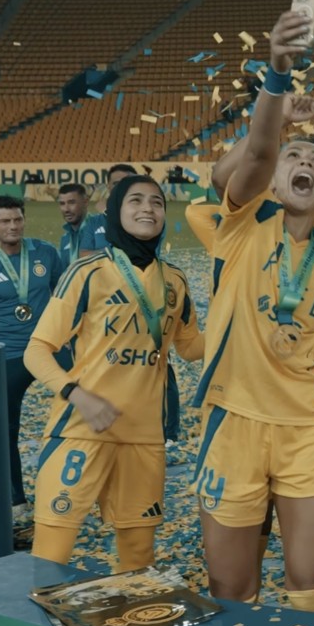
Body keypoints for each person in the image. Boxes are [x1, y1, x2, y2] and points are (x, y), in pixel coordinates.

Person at [191, 9, 314, 614]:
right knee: (232, 590)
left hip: (308, 430)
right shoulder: (240, 223)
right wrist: (277, 77)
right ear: (274, 181)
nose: (305, 163)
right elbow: (257, 150)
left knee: (311, 588)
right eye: (295, 158)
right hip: (234, 423)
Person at [25, 176, 204, 571]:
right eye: (135, 201)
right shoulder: (88, 272)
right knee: (51, 555)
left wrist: (239, 325)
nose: (147, 209)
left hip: (143, 437)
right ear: (115, 213)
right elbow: (37, 351)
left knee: (138, 559)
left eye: (157, 202)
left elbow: (190, 348)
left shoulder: (175, 280)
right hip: (81, 430)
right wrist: (78, 394)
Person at [0, 196, 64, 523]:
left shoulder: (46, 252)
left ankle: (97, 489)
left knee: (88, 404)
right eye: (5, 221)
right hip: (9, 352)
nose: (13, 226)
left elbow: (65, 297)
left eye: (18, 219)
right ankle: (17, 502)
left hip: (51, 347)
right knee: (4, 429)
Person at [56, 183, 107, 264]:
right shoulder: (65, 239)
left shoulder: (100, 226)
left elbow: (116, 254)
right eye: (62, 204)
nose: (66, 209)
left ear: (86, 203)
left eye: (72, 202)